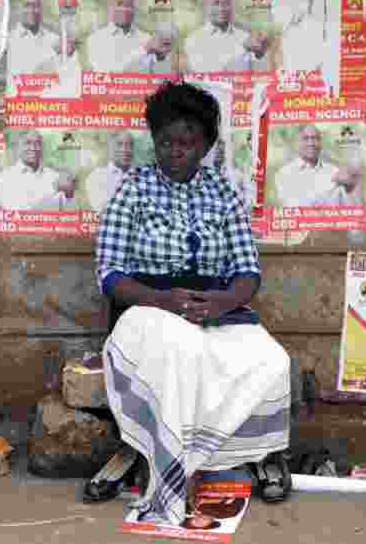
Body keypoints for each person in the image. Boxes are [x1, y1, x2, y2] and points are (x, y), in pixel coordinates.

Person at [84, 82, 291, 523]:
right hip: (146, 309)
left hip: (216, 308)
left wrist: (220, 303)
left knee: (270, 360)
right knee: (181, 352)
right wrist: (161, 299)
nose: (175, 152)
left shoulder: (223, 193)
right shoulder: (133, 190)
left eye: (187, 143)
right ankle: (161, 458)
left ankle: (260, 451)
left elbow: (248, 271)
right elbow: (110, 273)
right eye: (166, 142)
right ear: (154, 141)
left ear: (205, 146)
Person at [274, 125, 361, 207]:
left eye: (315, 139)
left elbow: (349, 208)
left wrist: (350, 189)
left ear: (320, 143)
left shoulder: (334, 171)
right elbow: (295, 206)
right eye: (305, 138)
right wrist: (331, 185)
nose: (311, 143)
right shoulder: (284, 174)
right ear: (298, 142)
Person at [184, 0, 250, 72]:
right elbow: (205, 73)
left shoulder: (245, 37)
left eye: (226, 4)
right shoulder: (193, 40)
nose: (221, 9)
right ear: (206, 6)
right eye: (216, 3)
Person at [87, 0, 151, 73]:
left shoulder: (146, 40)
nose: (124, 9)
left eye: (129, 5)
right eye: (119, 4)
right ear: (111, 7)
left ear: (135, 9)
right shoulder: (95, 39)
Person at [0, 130, 61, 209]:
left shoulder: (55, 176)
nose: (33, 148)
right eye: (27, 143)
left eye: (37, 143)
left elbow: (63, 208)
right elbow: (13, 209)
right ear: (17, 147)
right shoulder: (5, 177)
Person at [7, 0, 60, 83]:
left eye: (36, 6)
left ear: (41, 9)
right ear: (19, 8)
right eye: (27, 5)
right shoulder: (8, 41)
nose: (31, 10)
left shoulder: (54, 40)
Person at [85, 131, 134, 212]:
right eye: (119, 144)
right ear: (110, 148)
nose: (125, 150)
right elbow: (102, 208)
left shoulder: (140, 176)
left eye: (130, 145)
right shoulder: (96, 176)